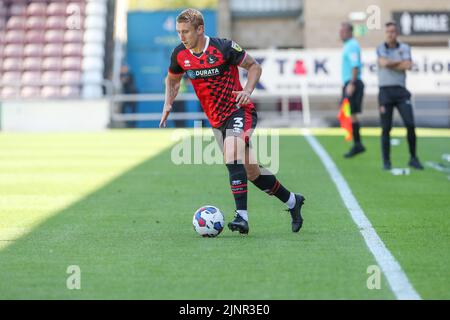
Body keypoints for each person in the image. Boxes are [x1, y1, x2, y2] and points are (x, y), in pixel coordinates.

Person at [160, 8, 306, 234]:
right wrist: (168, 102)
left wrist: (247, 90)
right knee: (252, 173)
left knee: (231, 153)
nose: (181, 37)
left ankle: (242, 217)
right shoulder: (180, 54)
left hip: (239, 111)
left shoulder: (223, 47)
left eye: (186, 32)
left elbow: (254, 66)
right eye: (179, 32)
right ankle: (292, 201)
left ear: (200, 29)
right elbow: (173, 79)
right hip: (217, 121)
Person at [376, 22, 424, 170]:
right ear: (385, 33)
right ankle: (386, 161)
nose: (391, 34)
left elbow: (408, 65)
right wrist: (400, 63)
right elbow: (383, 63)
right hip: (385, 91)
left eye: (393, 32)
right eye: (388, 32)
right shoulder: (380, 48)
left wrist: (393, 63)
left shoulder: (405, 47)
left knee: (410, 124)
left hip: (401, 91)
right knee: (386, 128)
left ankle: (413, 158)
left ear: (397, 33)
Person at [339, 22, 366, 158]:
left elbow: (355, 66)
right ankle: (356, 143)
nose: (340, 33)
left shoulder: (352, 45)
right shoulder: (348, 45)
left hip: (352, 83)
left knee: (351, 113)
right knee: (349, 113)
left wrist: (351, 83)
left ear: (350, 32)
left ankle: (357, 144)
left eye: (343, 31)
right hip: (349, 83)